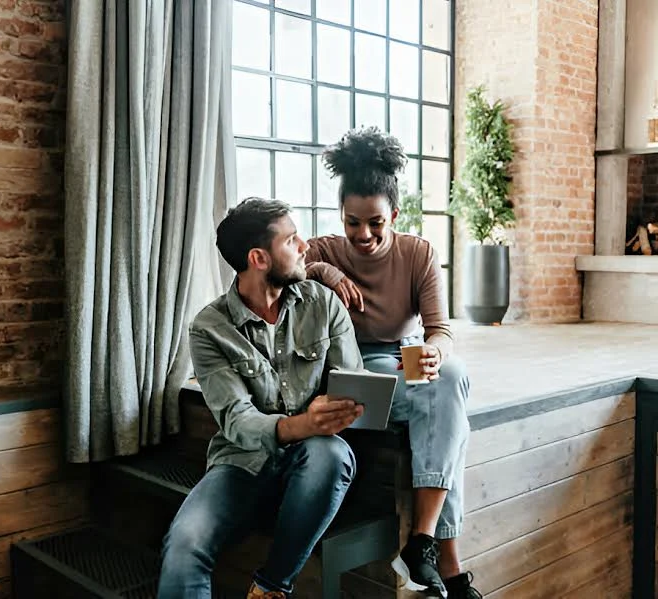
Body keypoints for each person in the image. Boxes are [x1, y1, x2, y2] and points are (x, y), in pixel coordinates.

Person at [158, 198, 365, 599]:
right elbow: (237, 420)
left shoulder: (323, 304)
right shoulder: (209, 329)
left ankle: (270, 587)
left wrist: (340, 410)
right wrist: (303, 423)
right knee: (183, 544)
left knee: (332, 454)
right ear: (259, 258)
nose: (305, 246)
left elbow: (353, 385)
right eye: (291, 240)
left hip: (312, 460)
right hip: (240, 463)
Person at [305, 127, 479, 599]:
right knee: (449, 419)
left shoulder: (418, 253)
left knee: (453, 378)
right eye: (353, 222)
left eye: (375, 223)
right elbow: (290, 270)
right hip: (356, 367)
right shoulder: (324, 249)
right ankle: (449, 561)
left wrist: (436, 350)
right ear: (341, 216)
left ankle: (420, 540)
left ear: (395, 215)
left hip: (403, 359)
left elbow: (441, 328)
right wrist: (327, 270)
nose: (363, 235)